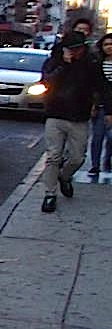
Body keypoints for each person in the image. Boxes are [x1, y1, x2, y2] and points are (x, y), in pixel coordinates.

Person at [39, 31, 112, 213]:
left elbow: (102, 87)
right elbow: (47, 81)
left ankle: (65, 176)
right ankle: (50, 194)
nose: (75, 52)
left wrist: (108, 110)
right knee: (53, 156)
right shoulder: (55, 61)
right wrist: (64, 64)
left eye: (78, 49)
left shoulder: (91, 64)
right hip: (55, 114)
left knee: (78, 157)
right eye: (72, 49)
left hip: (79, 117)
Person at [87, 32, 112, 175]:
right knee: (97, 136)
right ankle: (95, 165)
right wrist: (93, 104)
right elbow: (94, 86)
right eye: (106, 44)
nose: (109, 47)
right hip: (100, 105)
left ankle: (108, 159)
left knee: (111, 137)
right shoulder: (97, 64)